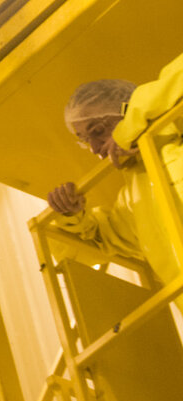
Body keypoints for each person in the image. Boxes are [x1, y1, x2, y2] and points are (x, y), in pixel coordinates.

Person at [45, 71, 183, 291]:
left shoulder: (178, 136)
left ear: (129, 109)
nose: (95, 148)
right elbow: (94, 243)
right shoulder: (134, 200)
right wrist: (70, 215)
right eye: (85, 141)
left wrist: (131, 128)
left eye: (98, 130)